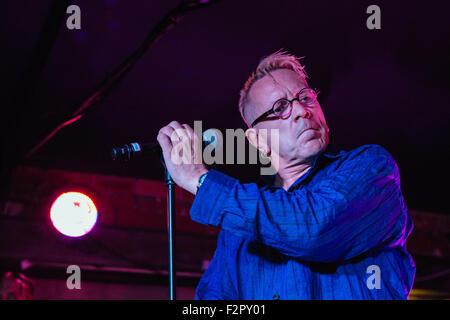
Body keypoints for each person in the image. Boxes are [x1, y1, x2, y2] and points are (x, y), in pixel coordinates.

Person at [157, 50, 416, 299]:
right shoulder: (238, 229)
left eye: (305, 97)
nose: (303, 111)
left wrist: (200, 181)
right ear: (257, 140)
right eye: (280, 107)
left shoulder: (371, 168)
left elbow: (313, 227)